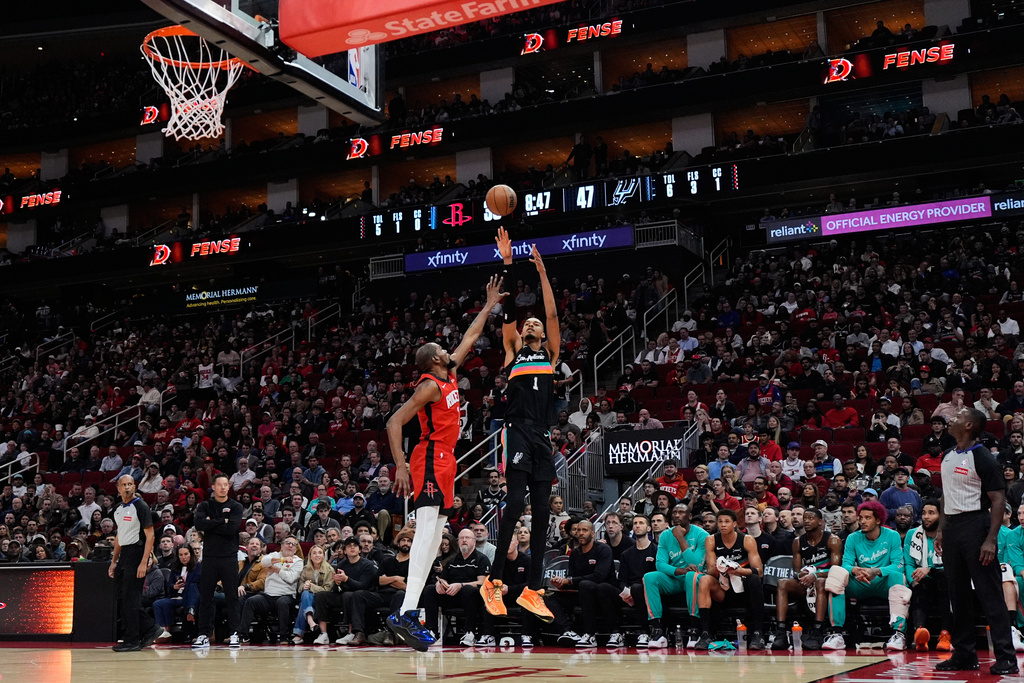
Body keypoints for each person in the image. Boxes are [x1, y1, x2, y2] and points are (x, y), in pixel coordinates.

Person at [384, 273, 504, 651]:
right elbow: (393, 421)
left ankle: (408, 612)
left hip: (446, 459)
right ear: (435, 358)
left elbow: (469, 338)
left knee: (436, 537)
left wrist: (487, 306)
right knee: (424, 534)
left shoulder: (448, 373)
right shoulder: (429, 385)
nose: (450, 352)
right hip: (430, 456)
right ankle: (404, 612)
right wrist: (401, 465)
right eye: (443, 350)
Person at [482, 227, 561, 624]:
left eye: (535, 323)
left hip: (542, 435)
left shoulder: (551, 350)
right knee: (515, 505)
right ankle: (493, 582)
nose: (530, 323)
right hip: (515, 430)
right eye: (526, 323)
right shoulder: (512, 351)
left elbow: (549, 312)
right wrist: (510, 264)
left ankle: (533, 590)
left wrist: (543, 274)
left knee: (544, 512)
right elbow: (512, 311)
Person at [935, 408, 1017, 675]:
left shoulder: (982, 457)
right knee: (957, 596)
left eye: (957, 417)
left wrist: (991, 539)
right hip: (952, 527)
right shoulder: (947, 455)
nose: (951, 420)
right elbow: (946, 496)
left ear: (968, 425)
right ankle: (964, 654)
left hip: (977, 525)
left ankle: (1006, 656)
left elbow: (998, 500)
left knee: (989, 593)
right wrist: (940, 530)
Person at [822, 501, 910, 651]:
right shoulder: (852, 538)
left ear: (878, 520)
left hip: (883, 583)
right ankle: (837, 634)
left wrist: (875, 571)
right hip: (861, 583)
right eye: (861, 517)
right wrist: (855, 570)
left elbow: (898, 565)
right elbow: (846, 565)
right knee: (836, 572)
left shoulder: (892, 536)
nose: (862, 521)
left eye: (867, 518)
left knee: (898, 577)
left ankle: (899, 634)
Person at [691, 508, 766, 650]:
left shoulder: (747, 540)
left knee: (755, 580)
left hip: (743, 587)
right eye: (720, 522)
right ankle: (706, 633)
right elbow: (712, 571)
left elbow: (759, 571)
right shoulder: (711, 540)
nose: (723, 525)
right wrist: (722, 568)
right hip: (723, 587)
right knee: (704, 580)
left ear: (735, 524)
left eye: (727, 522)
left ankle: (758, 633)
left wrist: (737, 570)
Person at [772, 506, 841, 651]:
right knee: (782, 583)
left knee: (820, 582)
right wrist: (801, 575)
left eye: (811, 518)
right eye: (805, 519)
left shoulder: (832, 540)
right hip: (806, 583)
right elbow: (795, 572)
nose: (807, 521)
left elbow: (836, 570)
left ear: (821, 522)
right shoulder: (798, 541)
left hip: (825, 582)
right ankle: (781, 632)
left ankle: (817, 631)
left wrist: (815, 575)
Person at [641, 504, 709, 648]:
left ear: (690, 517)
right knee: (649, 577)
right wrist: (680, 570)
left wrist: (680, 539)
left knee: (692, 575)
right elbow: (660, 564)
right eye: (674, 513)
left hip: (694, 580)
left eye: (681, 512)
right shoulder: (666, 535)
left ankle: (694, 630)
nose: (677, 515)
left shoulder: (702, 535)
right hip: (674, 578)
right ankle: (657, 630)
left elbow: (697, 564)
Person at [192, 472, 244, 649]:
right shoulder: (205, 505)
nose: (223, 487)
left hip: (229, 557)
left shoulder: (236, 506)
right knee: (205, 597)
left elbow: (232, 529)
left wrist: (212, 523)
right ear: (213, 487)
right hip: (209, 558)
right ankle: (203, 634)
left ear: (229, 487)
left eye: (226, 484)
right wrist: (222, 520)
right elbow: (199, 525)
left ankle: (234, 634)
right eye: (219, 484)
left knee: (232, 597)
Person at [109, 474, 160, 651]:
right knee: (121, 597)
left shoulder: (141, 506)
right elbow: (119, 537)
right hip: (124, 554)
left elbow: (150, 535)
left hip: (138, 552)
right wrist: (114, 561)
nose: (128, 487)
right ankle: (150, 628)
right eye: (124, 484)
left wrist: (144, 561)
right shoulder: (118, 509)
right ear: (118, 488)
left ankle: (133, 639)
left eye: (131, 484)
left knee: (131, 598)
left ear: (135, 486)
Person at [421, 528, 489, 646]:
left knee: (468, 590)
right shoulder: (452, 560)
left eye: (467, 538)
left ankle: (469, 632)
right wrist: (439, 584)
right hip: (451, 595)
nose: (464, 541)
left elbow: (482, 582)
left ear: (474, 541)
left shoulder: (481, 559)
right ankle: (432, 631)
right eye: (461, 538)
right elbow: (442, 578)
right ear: (457, 542)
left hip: (472, 598)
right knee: (429, 590)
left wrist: (461, 585)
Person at [904, 498, 950, 652]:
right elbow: (909, 564)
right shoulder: (912, 534)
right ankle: (919, 633)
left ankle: (945, 634)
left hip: (944, 578)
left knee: (943, 580)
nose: (926, 517)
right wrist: (914, 581)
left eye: (931, 513)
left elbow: (952, 563)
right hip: (922, 580)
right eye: (924, 513)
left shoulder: (948, 534)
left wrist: (929, 568)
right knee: (919, 588)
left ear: (940, 516)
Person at [239, 535, 303, 644]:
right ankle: (243, 635)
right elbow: (264, 561)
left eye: (293, 544)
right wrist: (282, 559)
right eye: (288, 543)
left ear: (296, 548)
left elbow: (291, 578)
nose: (290, 545)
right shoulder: (274, 555)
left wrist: (276, 569)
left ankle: (283, 636)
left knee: (282, 603)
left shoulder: (298, 561)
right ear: (282, 546)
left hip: (286, 595)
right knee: (251, 601)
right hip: (268, 595)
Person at [618, 514, 658, 645]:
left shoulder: (656, 550)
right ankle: (614, 633)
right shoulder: (626, 554)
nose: (637, 526)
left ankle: (645, 632)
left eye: (641, 523)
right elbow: (622, 579)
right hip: (631, 592)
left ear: (648, 528)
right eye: (635, 523)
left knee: (637, 588)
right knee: (604, 588)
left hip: (650, 590)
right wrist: (625, 592)